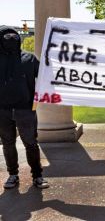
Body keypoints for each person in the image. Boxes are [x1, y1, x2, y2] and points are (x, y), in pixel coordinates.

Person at [0, 26, 49, 189]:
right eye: (6, 38)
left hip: (25, 110)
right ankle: (13, 175)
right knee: (8, 144)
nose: (11, 40)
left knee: (31, 143)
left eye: (14, 37)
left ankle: (37, 176)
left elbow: (45, 76)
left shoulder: (29, 58)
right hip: (2, 111)